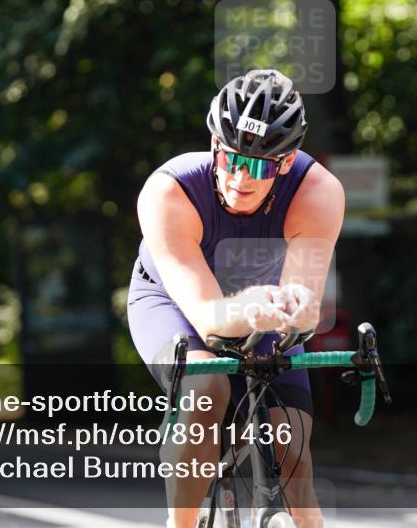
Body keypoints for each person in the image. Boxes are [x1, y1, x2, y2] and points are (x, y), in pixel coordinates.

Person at [127, 69, 344, 528]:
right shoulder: (169, 191)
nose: (240, 177)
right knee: (207, 389)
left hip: (263, 309)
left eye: (261, 165)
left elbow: (303, 306)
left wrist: (289, 309)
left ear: (286, 162)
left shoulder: (317, 191)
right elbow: (206, 316)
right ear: (213, 147)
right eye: (229, 158)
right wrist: (251, 308)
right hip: (173, 303)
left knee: (292, 450)